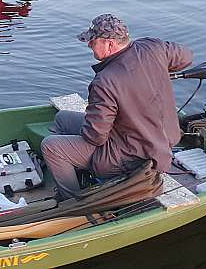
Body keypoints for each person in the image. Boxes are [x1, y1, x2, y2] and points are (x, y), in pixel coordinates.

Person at [40, 14, 194, 200]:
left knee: (51, 146)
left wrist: (92, 120)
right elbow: (186, 57)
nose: (88, 44)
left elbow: (95, 137)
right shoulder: (153, 47)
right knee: (62, 118)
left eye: (92, 41)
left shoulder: (105, 82)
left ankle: (74, 200)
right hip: (160, 142)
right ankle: (76, 169)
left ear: (110, 43)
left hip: (130, 157)